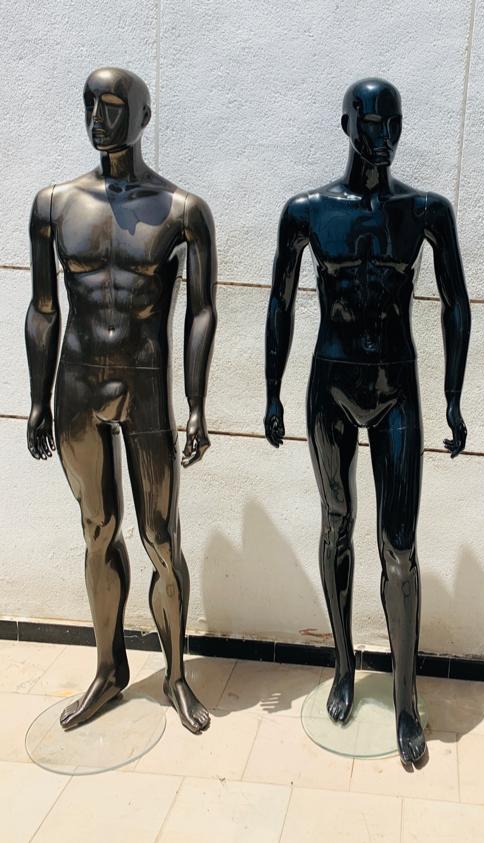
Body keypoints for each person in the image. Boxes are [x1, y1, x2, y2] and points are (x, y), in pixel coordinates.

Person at [264, 78, 471, 765]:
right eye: (370, 119)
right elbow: (281, 303)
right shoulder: (307, 210)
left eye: (393, 122)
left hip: (396, 384)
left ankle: (407, 696)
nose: (382, 134)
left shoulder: (426, 212)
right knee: (335, 522)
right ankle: (346, 665)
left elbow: (455, 303)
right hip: (331, 382)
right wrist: (271, 391)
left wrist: (452, 396)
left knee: (401, 545)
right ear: (345, 121)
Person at [26, 67, 217, 733]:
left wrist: (196, 401)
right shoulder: (54, 204)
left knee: (161, 536)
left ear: (143, 114)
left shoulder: (183, 210)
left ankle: (177, 674)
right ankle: (108, 669)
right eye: (90, 106)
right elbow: (44, 309)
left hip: (145, 383)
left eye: (113, 107)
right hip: (76, 382)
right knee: (97, 530)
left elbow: (201, 313)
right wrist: (37, 399)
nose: (99, 120)